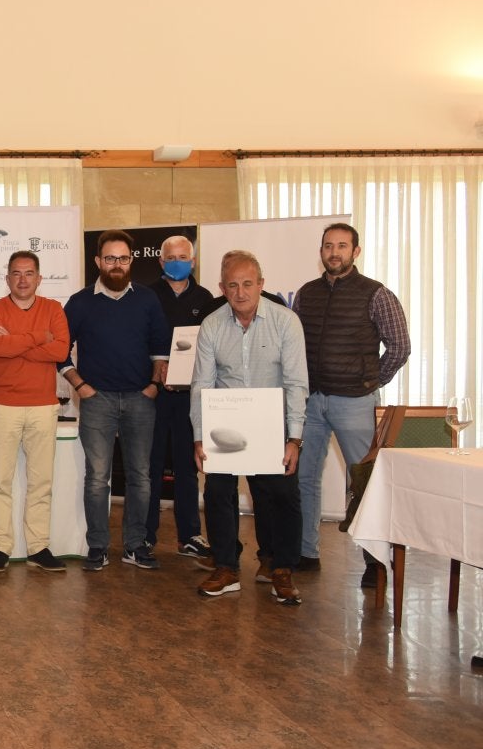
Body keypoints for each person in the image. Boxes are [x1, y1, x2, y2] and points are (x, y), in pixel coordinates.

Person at [293, 223, 410, 579]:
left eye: (342, 246)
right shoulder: (306, 294)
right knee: (304, 478)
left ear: (355, 252)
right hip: (311, 402)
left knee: (365, 482)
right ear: (321, 251)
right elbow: (295, 347)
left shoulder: (377, 294)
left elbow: (400, 346)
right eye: (328, 246)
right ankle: (306, 553)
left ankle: (375, 562)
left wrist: (372, 380)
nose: (334, 252)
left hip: (355, 402)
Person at [192, 250, 308, 605]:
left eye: (247, 283)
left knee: (282, 496)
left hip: (271, 424)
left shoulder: (285, 322)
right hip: (224, 425)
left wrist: (294, 439)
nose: (240, 292)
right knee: (216, 493)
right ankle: (226, 567)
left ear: (261, 284)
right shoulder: (211, 325)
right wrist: (199, 437)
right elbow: (202, 385)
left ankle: (280, 568)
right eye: (232, 285)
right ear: (222, 288)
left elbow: (295, 383)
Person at [61, 230, 171, 572]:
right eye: (110, 258)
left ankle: (135, 546)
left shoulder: (148, 299)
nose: (117, 264)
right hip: (97, 402)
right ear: (98, 261)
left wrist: (153, 386)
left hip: (141, 399)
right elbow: (59, 353)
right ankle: (98, 546)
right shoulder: (79, 302)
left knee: (140, 477)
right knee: (97, 478)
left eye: (123, 258)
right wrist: (81, 386)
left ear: (131, 261)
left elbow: (161, 350)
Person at [0, 250, 71, 572]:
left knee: (41, 481)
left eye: (29, 273)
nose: (22, 279)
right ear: (7, 278)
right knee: (0, 481)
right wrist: (37, 339)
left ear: (39, 278)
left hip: (43, 404)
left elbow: (60, 350)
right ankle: (0, 548)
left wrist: (18, 343)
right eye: (16, 274)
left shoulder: (54, 309)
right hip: (3, 405)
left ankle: (38, 547)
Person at [145, 234, 216, 562]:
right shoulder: (145, 296)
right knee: (150, 466)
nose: (177, 262)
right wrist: (155, 371)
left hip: (190, 399)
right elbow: (138, 342)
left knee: (189, 467)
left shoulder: (206, 298)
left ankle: (189, 535)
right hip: (153, 396)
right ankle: (145, 535)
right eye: (170, 257)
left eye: (183, 256)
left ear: (193, 261)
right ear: (161, 262)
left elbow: (210, 348)